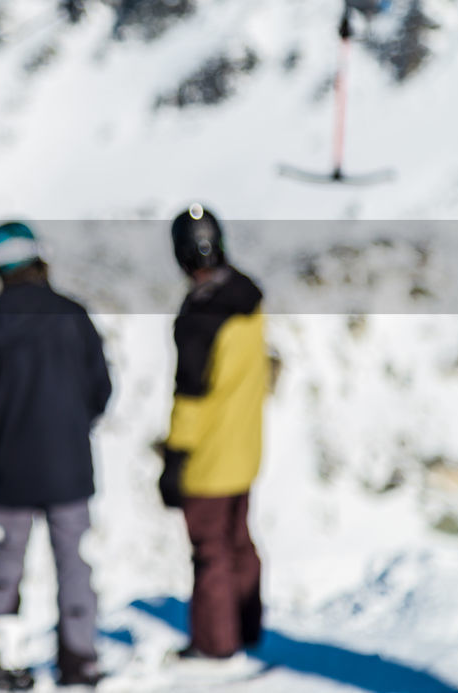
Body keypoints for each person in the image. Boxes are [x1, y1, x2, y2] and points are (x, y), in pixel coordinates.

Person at [0, 222, 112, 690]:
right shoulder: (74, 315)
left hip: (10, 466)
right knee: (73, 564)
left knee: (7, 567)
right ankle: (79, 660)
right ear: (39, 258)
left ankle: (2, 662)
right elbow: (101, 391)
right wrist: (71, 425)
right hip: (68, 463)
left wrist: (5, 428)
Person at [158, 204, 267, 663]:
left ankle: (215, 644)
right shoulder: (247, 296)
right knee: (239, 542)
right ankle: (246, 628)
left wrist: (175, 458)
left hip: (209, 458)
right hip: (245, 447)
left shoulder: (199, 317)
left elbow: (192, 398)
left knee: (210, 553)